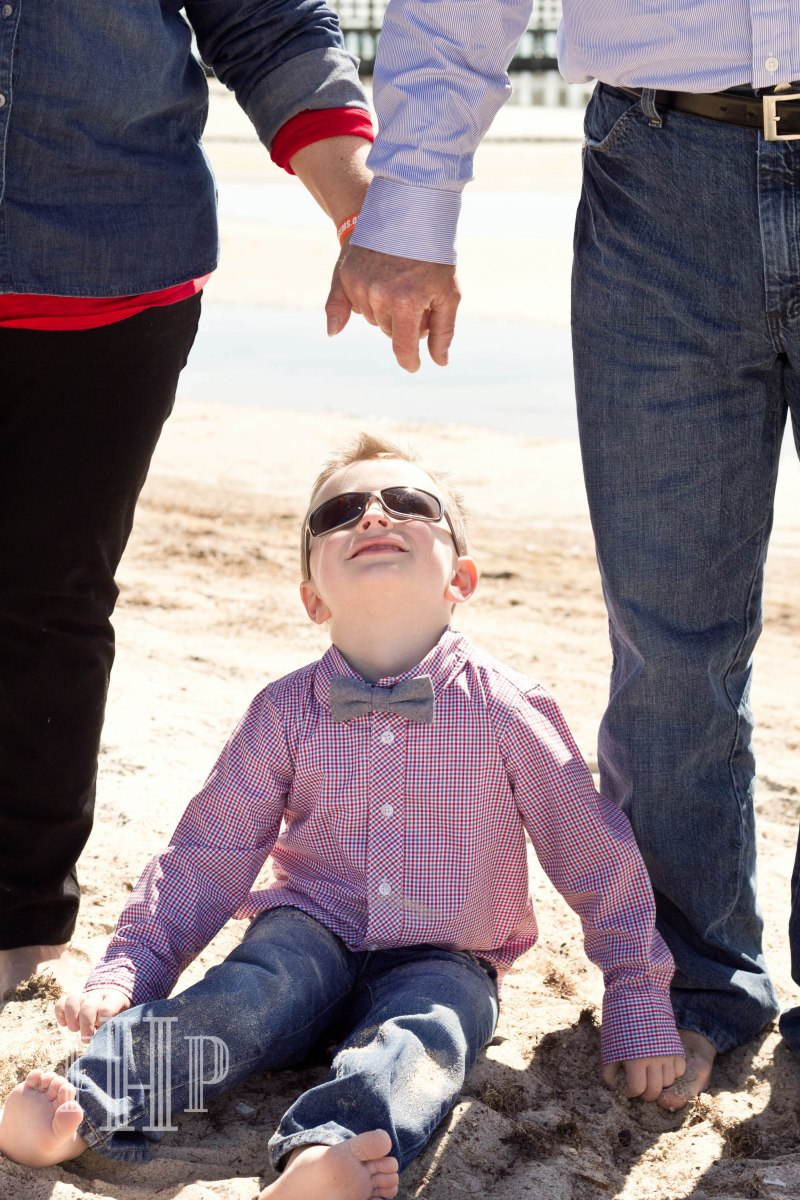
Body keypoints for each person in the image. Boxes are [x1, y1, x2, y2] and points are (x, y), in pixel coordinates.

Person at [0, 434, 686, 1197]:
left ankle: (323, 1155)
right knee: (239, 1003)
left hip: (448, 952)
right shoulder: (284, 712)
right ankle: (83, 1107)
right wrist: (134, 966)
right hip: (308, 929)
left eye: (408, 504)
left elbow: (594, 854)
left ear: (460, 576)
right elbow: (208, 853)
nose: (373, 515)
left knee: (422, 1044)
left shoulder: (505, 709)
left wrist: (635, 990)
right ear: (313, 597)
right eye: (342, 511)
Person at [335, 2, 800, 1107]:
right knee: (670, 641)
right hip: (660, 173)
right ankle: (690, 983)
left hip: (660, 163)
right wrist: (409, 199)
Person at [0, 1, 375, 1001]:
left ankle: (19, 916)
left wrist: (360, 210)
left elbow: (265, 22)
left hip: (108, 273)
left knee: (49, 598)